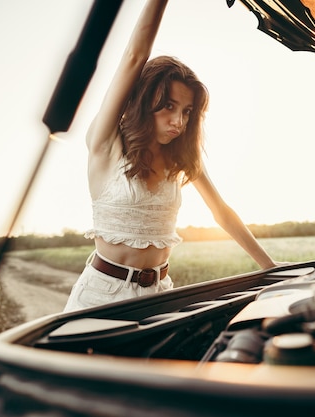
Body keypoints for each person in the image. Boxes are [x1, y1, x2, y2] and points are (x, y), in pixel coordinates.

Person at [63, 0, 277, 312]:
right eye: (168, 106)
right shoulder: (106, 144)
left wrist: (269, 267)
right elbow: (134, 58)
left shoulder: (181, 160)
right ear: (145, 100)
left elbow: (222, 213)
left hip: (162, 294)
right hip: (100, 296)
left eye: (187, 111)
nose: (179, 120)